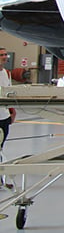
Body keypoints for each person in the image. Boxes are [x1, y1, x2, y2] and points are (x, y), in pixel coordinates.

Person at [0, 48, 16, 176]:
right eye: (1, 55)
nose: (4, 57)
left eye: (5, 54)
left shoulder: (6, 73)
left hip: (4, 116)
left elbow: (8, 93)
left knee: (1, 147)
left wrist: (12, 111)